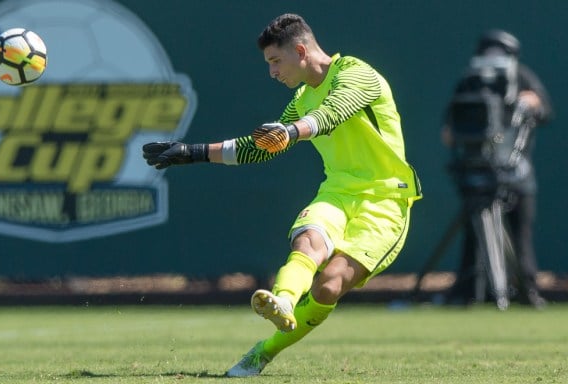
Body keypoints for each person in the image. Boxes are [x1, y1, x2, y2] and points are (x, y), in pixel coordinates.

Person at [142, 13, 422, 377]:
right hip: (337, 192)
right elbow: (259, 147)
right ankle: (284, 301)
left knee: (329, 285)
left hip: (386, 200)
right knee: (307, 242)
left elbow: (332, 113)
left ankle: (263, 352)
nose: (273, 72)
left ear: (301, 50)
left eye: (276, 61)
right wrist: (191, 152)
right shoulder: (301, 99)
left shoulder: (357, 74)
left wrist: (291, 131)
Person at [441, 30, 553, 309]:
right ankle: (468, 292)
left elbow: (545, 110)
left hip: (517, 174)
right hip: (477, 173)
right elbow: (449, 129)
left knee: (520, 236)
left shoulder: (522, 78)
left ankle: (527, 292)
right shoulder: (469, 83)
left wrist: (530, 103)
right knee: (474, 235)